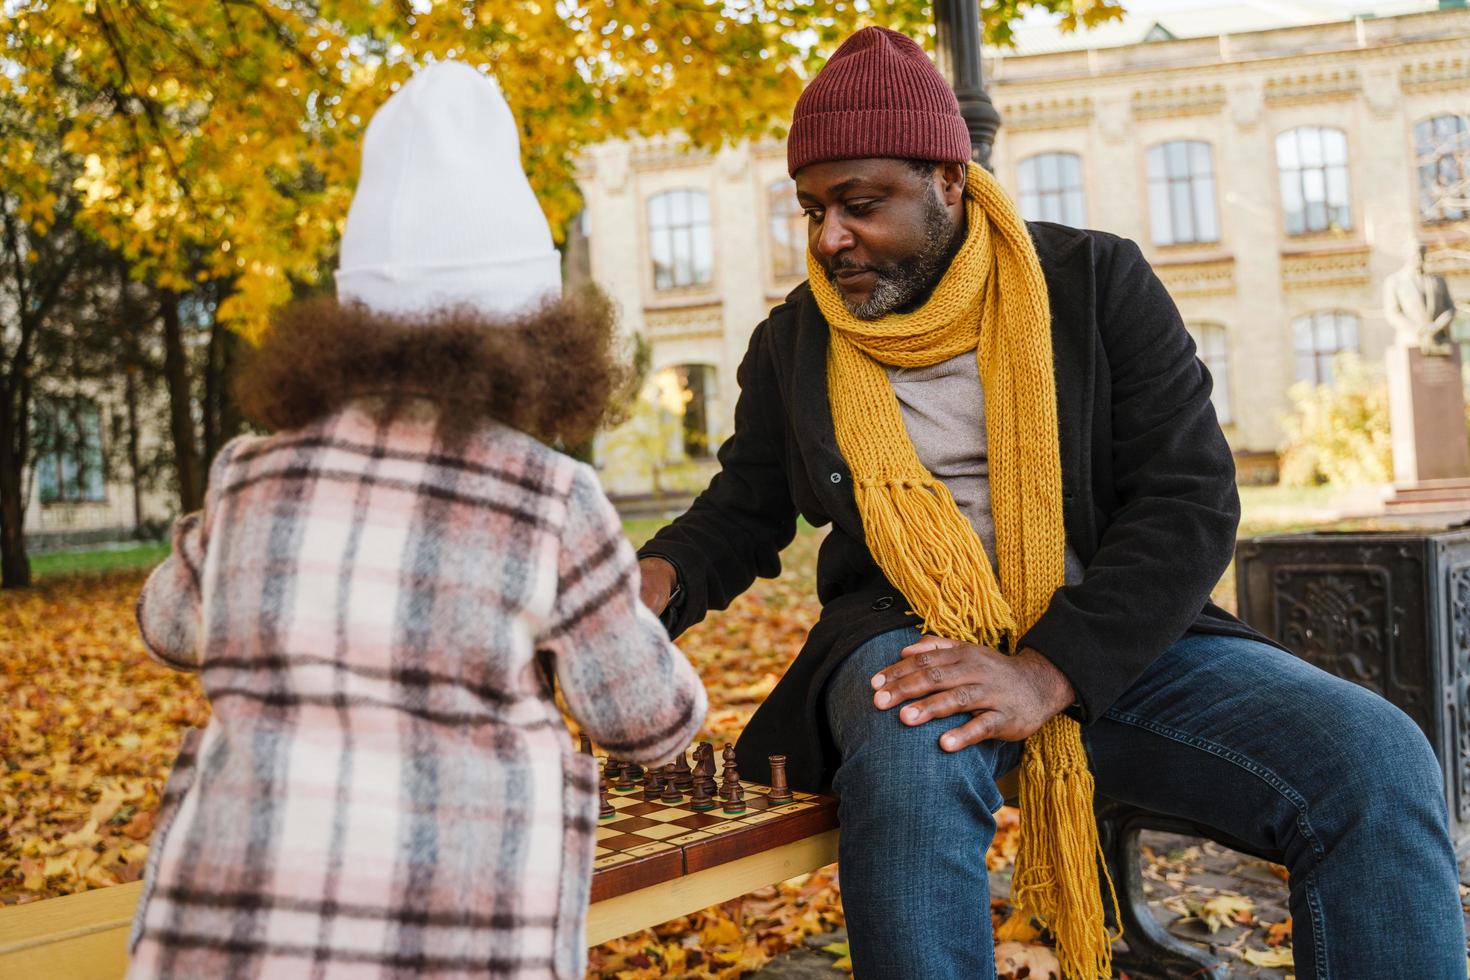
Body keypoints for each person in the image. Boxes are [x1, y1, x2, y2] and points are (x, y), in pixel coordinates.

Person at [635, 26, 1465, 979]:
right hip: (916, 638)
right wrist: (649, 586)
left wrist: (1046, 671)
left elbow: (1188, 500)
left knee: (1374, 757)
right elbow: (742, 509)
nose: (831, 239)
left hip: (1120, 642)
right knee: (915, 757)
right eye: (813, 209)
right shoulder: (798, 341)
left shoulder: (1095, 283)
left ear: (949, 179)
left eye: (861, 205)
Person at [127, 62, 706, 979]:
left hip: (225, 934)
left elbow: (168, 624)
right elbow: (648, 722)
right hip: (456, 936)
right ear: (537, 338)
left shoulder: (247, 471)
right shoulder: (551, 497)